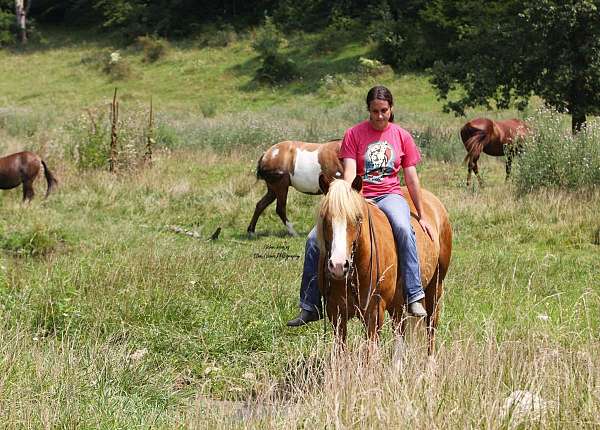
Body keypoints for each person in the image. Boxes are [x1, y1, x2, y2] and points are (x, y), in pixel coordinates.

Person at [287, 85, 434, 327]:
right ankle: (310, 305)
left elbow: (411, 178)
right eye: (374, 111)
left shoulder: (402, 136)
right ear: (368, 110)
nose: (379, 116)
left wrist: (421, 214)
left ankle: (413, 294)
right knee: (314, 239)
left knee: (404, 228)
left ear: (391, 109)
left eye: (384, 110)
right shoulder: (354, 134)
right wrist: (345, 198)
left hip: (389, 195)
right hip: (360, 196)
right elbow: (351, 173)